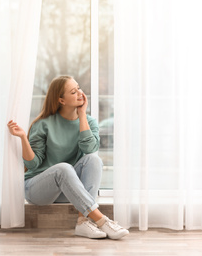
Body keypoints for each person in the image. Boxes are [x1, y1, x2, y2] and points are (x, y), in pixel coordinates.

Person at [7, 75, 129, 239]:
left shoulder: (89, 122)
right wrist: (23, 138)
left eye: (78, 88)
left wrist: (82, 115)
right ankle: (102, 221)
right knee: (63, 168)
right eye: (73, 91)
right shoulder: (43, 123)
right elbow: (33, 164)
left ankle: (83, 222)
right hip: (38, 190)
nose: (80, 93)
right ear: (61, 100)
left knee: (94, 160)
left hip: (69, 190)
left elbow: (90, 148)